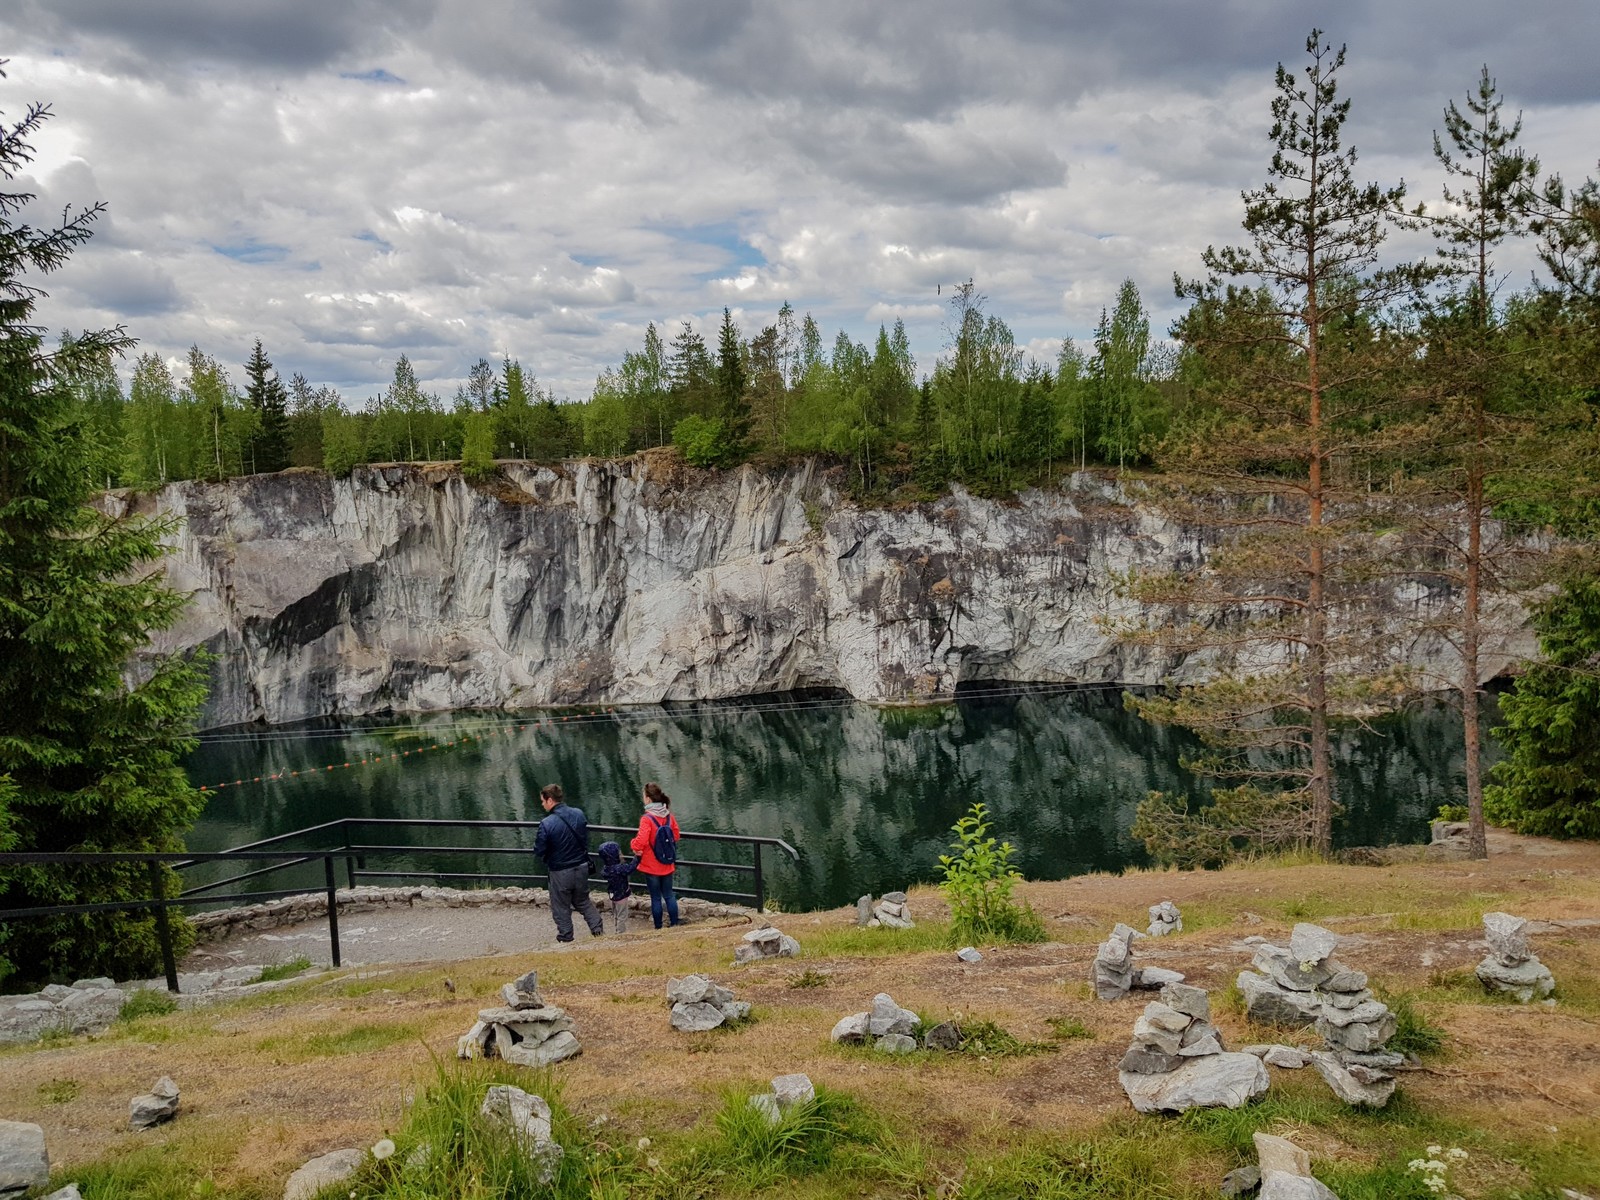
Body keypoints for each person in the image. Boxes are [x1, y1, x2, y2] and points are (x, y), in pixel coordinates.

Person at [533, 783, 603, 943]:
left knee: (561, 907)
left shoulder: (547, 823)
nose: (542, 804)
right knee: (583, 901)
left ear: (549, 800)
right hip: (581, 867)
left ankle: (566, 937)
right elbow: (585, 838)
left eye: (543, 801)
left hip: (560, 871)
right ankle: (598, 930)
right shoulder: (579, 814)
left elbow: (539, 849)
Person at [630, 781, 680, 929]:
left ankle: (658, 927)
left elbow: (641, 841)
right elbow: (676, 835)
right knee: (669, 895)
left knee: (656, 898)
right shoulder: (668, 816)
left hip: (651, 865)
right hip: (667, 862)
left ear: (648, 799)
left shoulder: (647, 819)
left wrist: (633, 844)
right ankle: (674, 923)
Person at [596, 840, 638, 933]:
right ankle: (620, 933)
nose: (621, 855)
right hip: (621, 896)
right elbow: (630, 868)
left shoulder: (606, 869)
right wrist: (637, 857)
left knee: (616, 914)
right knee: (622, 916)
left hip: (613, 895)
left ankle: (617, 930)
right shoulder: (619, 869)